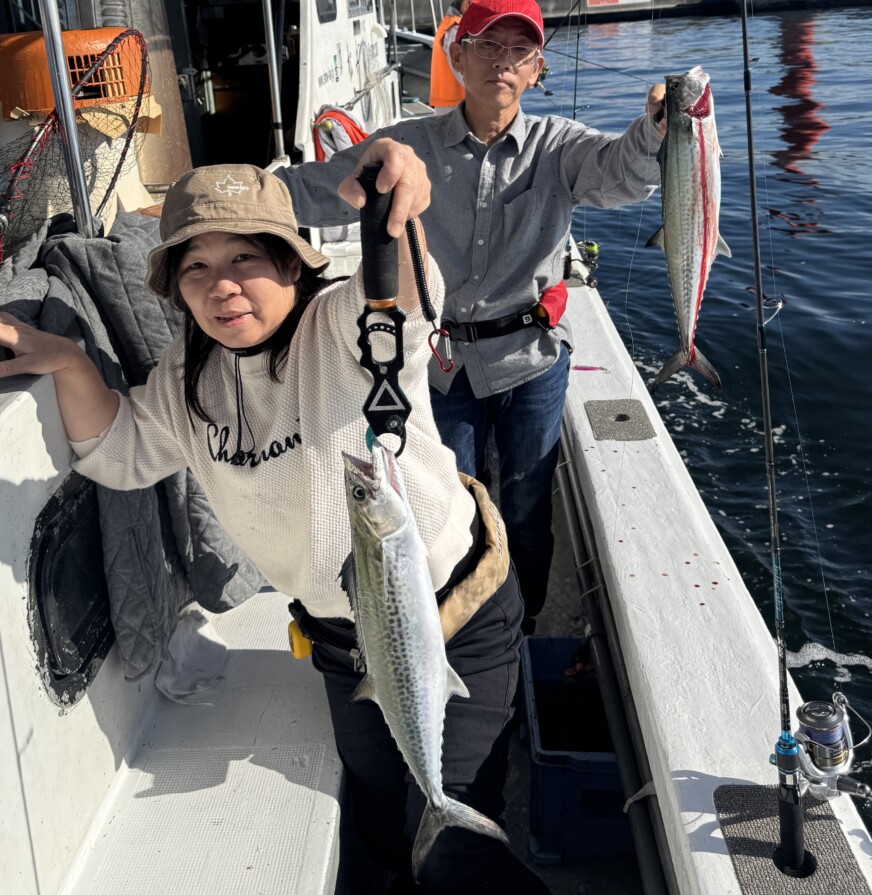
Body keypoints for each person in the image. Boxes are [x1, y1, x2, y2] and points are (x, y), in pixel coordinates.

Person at [0, 163, 606, 895]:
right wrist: (67, 359)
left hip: (457, 614)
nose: (224, 286)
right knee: (383, 814)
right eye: (197, 267)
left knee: (457, 843)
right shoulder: (187, 382)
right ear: (175, 286)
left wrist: (398, 210)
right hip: (343, 645)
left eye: (248, 258)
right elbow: (118, 452)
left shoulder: (338, 330)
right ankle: (418, 872)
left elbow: (401, 293)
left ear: (292, 264)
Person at [276, 0, 666, 634]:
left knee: (527, 501)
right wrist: (229, 199)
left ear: (537, 68)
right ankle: (463, 627)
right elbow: (320, 190)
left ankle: (524, 620)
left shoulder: (558, 146)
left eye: (519, 51)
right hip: (441, 362)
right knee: (446, 506)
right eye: (487, 45)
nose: (502, 62)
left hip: (531, 360)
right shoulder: (406, 145)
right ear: (456, 57)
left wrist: (655, 129)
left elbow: (622, 174)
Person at [429, 0, 471, 114]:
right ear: (468, 3)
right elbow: (463, 73)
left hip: (453, 105)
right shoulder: (455, 30)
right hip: (454, 107)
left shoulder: (453, 25)